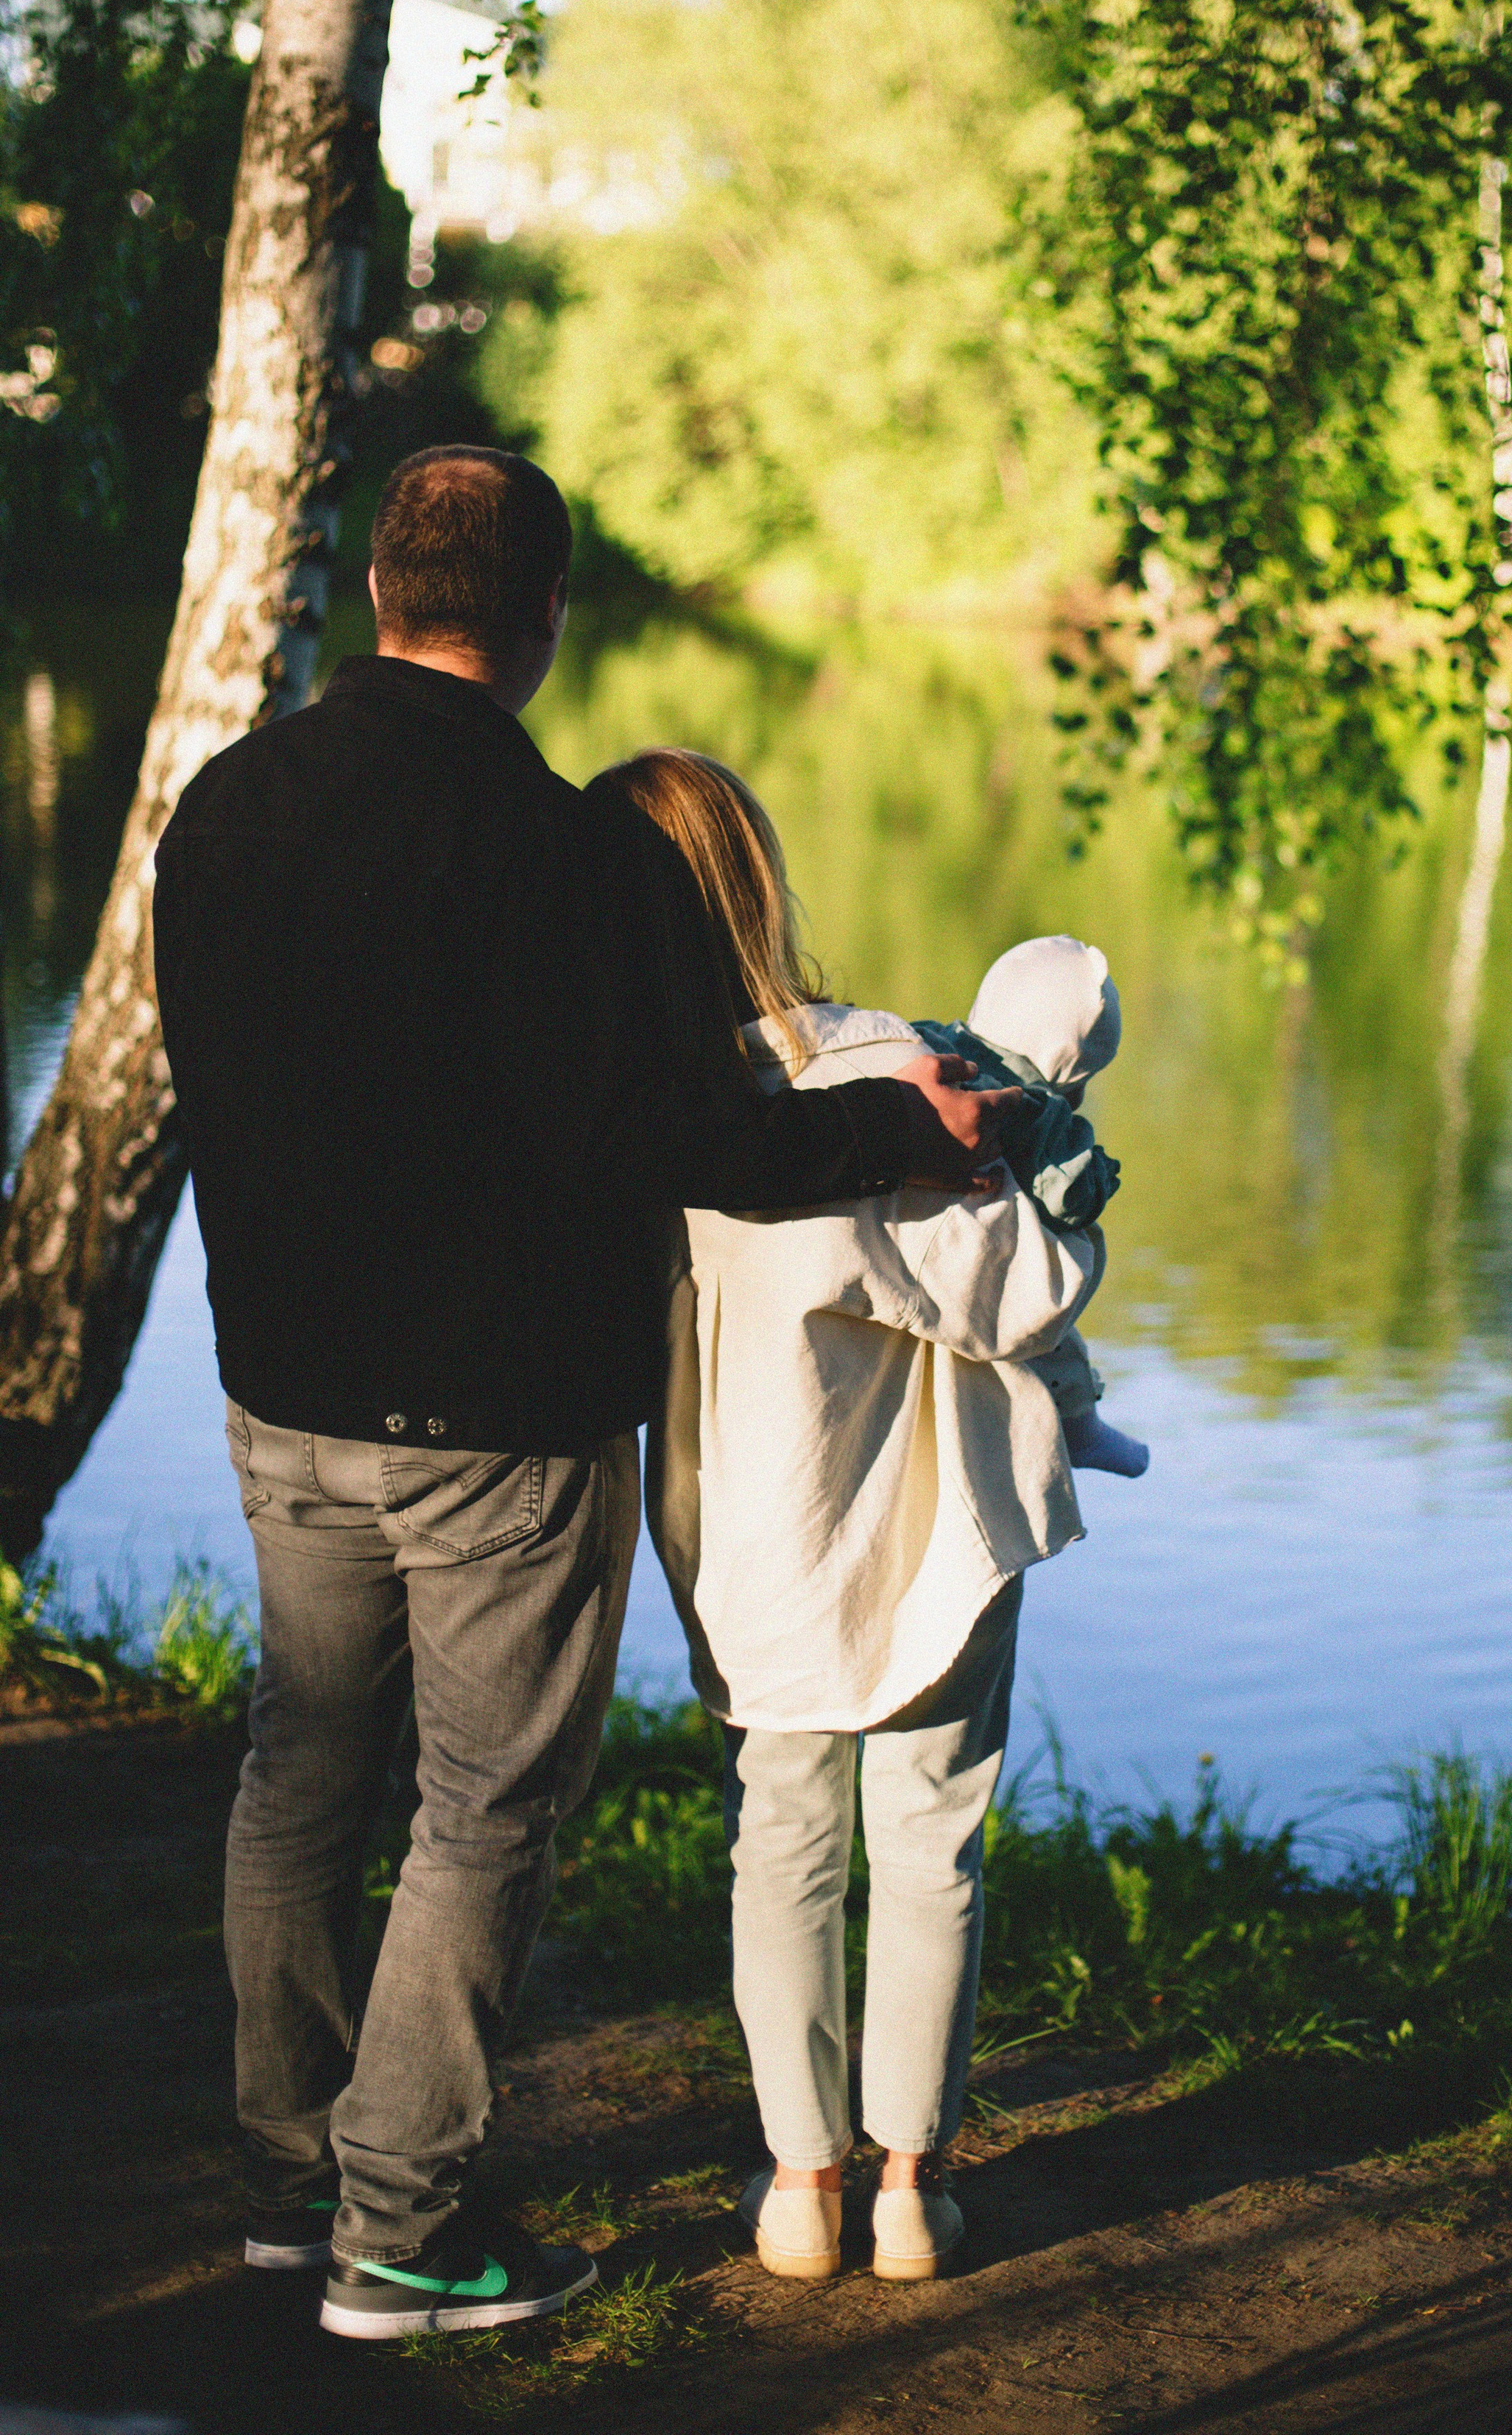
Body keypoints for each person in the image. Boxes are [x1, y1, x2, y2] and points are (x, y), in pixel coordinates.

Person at [151, 448, 1011, 2343]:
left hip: (280, 1395)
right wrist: (906, 1125)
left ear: (378, 591)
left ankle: (290, 2182)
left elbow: (198, 1078)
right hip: (497, 1422)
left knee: (298, 1770)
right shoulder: (564, 856)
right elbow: (673, 1134)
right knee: (481, 1807)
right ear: (544, 616)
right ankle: (401, 2230)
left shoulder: (224, 809)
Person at [602, 747, 1106, 2286]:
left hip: (764, 1532)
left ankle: (796, 2189)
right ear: (759, 883)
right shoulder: (898, 1068)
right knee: (932, 1843)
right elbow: (1024, 1272)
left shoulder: (643, 1117)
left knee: (783, 1842)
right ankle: (908, 2188)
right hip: (937, 1532)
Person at [914, 933, 1150, 1479]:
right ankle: (1079, 1428)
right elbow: (1069, 1199)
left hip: (926, 1237)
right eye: (1084, 1080)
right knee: (1059, 1311)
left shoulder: (929, 1043)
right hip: (989, 1276)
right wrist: (1099, 1171)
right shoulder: (1035, 1113)